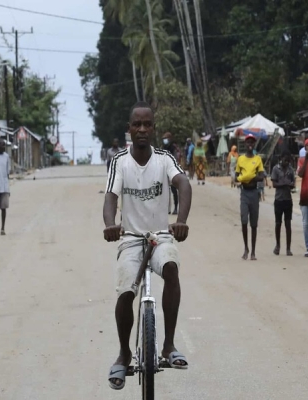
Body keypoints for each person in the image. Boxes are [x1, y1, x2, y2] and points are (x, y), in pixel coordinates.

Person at [104, 101, 192, 390]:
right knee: (125, 290)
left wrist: (180, 220)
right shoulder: (119, 161)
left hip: (160, 235)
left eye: (147, 124)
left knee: (171, 267)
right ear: (129, 129)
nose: (142, 129)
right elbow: (110, 199)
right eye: (137, 124)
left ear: (154, 129)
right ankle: (124, 353)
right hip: (129, 238)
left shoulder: (165, 159)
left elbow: (184, 185)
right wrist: (110, 225)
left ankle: (168, 346)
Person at [235, 134, 265, 261]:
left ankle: (253, 251)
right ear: (245, 144)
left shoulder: (258, 159)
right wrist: (244, 178)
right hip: (244, 193)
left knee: (254, 224)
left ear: (254, 145)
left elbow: (262, 175)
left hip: (254, 192)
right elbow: (236, 176)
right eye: (248, 142)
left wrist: (250, 177)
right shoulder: (240, 159)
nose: (250, 145)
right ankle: (245, 248)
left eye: (252, 142)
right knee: (243, 221)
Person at [271, 152, 296, 256]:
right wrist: (284, 184)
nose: (286, 163)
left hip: (287, 199)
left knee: (288, 224)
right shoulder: (276, 169)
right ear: (281, 159)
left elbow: (293, 184)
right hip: (279, 199)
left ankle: (288, 248)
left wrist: (290, 185)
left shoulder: (290, 170)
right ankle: (277, 245)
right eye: (285, 160)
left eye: (288, 161)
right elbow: (274, 184)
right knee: (278, 223)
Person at [162, 132, 182, 214]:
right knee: (165, 191)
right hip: (164, 170)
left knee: (174, 190)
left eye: (166, 138)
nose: (164, 140)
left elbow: (176, 158)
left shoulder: (174, 148)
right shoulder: (163, 147)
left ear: (170, 139)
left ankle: (176, 208)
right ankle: (167, 209)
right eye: (163, 139)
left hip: (172, 170)